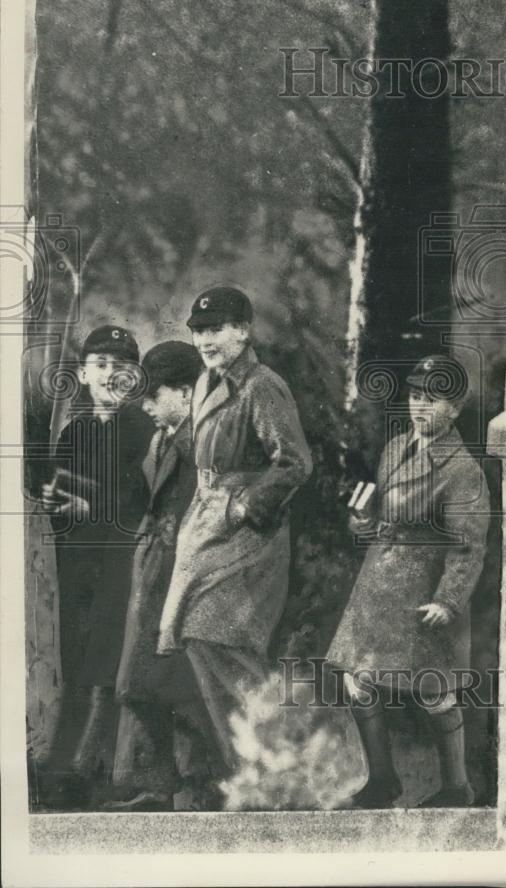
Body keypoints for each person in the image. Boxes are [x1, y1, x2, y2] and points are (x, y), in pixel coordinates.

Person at [157, 287, 313, 774]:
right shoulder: (206, 382)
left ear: (243, 331)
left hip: (250, 536)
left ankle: (289, 764)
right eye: (199, 331)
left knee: (225, 640)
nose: (205, 340)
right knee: (199, 641)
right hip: (206, 528)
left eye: (216, 329)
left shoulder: (261, 385)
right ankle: (247, 774)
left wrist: (244, 507)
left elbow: (294, 464)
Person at [327, 355, 490, 808]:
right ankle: (382, 780)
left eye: (434, 400)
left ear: (455, 409)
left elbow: (469, 542)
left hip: (423, 590)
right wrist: (363, 524)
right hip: (378, 585)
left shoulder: (462, 469)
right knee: (357, 680)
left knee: (433, 688)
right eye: (416, 396)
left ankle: (457, 787)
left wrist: (449, 600)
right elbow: (384, 515)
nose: (421, 407)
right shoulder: (396, 447)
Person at [39, 325, 155, 808]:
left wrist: (96, 509)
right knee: (78, 659)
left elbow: (145, 499)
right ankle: (64, 766)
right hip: (78, 563)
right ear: (84, 373)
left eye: (121, 367)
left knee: (112, 662)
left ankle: (101, 771)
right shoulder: (74, 430)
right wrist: (54, 501)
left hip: (124, 562)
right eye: (101, 365)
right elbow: (63, 498)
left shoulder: (143, 429)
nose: (110, 375)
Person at [109, 340, 223, 811]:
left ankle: (206, 783)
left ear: (184, 390)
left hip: (190, 575)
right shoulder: (163, 438)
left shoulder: (204, 440)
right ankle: (160, 784)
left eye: (156, 395)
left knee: (189, 685)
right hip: (157, 571)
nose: (148, 406)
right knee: (140, 682)